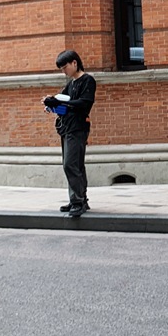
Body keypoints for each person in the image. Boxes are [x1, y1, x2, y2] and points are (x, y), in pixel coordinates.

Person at [41, 50, 96, 217]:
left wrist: (61, 102)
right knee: (76, 165)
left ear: (74, 63)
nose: (63, 71)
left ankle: (78, 202)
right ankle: (79, 200)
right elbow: (61, 100)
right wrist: (51, 103)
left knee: (70, 164)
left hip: (78, 128)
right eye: (61, 69)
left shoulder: (87, 80)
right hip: (67, 128)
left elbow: (84, 103)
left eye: (65, 67)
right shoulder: (71, 84)